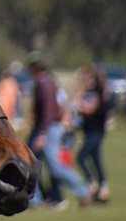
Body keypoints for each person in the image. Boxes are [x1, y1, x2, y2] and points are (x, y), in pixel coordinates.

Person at [26, 52, 92, 209]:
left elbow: (49, 111)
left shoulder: (44, 83)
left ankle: (83, 190)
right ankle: (34, 199)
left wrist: (42, 133)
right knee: (29, 161)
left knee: (53, 166)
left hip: (48, 129)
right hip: (45, 127)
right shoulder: (46, 81)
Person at [74, 64, 111, 203]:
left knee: (81, 156)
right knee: (96, 159)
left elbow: (92, 109)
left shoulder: (98, 90)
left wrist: (81, 107)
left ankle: (93, 182)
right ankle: (103, 188)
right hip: (89, 130)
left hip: (96, 130)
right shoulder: (89, 90)